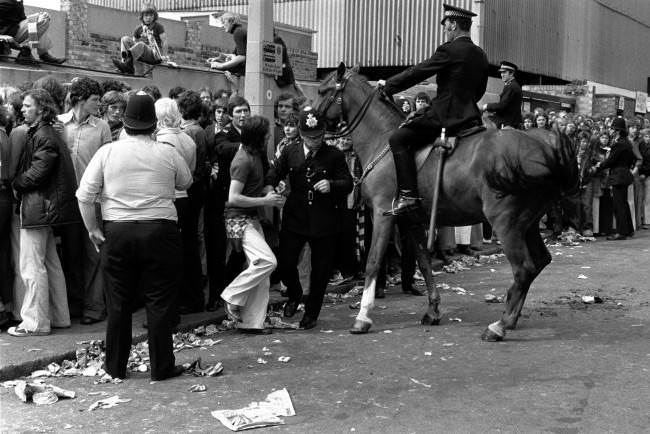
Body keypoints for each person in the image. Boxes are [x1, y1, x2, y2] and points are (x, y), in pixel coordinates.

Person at [76, 92, 192, 381]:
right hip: (160, 230)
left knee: (117, 302)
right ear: (154, 126)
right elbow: (185, 181)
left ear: (125, 126)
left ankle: (115, 366)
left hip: (117, 231)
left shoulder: (107, 152)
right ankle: (161, 367)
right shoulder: (167, 151)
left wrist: (93, 229)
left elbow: (84, 195)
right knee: (159, 301)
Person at [378, 4, 488, 216]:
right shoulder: (480, 55)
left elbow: (418, 72)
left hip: (443, 118)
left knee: (398, 139)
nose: (445, 31)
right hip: (471, 119)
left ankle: (408, 196)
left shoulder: (449, 50)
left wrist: (389, 85)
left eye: (446, 26)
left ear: (454, 24)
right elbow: (480, 90)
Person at [265, 107, 353, 330]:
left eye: (319, 137)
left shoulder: (334, 155)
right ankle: (294, 294)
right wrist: (269, 188)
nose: (315, 142)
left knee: (320, 271)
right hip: (295, 217)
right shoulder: (290, 151)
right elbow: (274, 172)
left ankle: (312, 312)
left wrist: (331, 185)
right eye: (310, 138)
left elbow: (348, 183)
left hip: (324, 220)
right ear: (302, 135)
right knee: (285, 263)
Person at [8, 89, 79, 337]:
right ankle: (60, 317)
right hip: (45, 207)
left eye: (28, 106)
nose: (23, 109)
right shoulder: (47, 132)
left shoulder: (43, 134)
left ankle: (35, 322)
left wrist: (16, 183)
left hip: (39, 207)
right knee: (50, 262)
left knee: (31, 265)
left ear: (41, 108)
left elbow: (38, 173)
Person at [221, 116, 283, 334]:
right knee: (267, 261)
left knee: (261, 271)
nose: (268, 137)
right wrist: (265, 201)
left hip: (251, 218)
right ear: (258, 138)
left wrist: (269, 191)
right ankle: (232, 295)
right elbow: (234, 198)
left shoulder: (255, 155)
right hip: (238, 220)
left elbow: (260, 184)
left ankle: (251, 323)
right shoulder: (242, 160)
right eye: (265, 135)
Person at [58, 77, 112, 325]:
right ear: (80, 99)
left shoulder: (102, 127)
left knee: (94, 254)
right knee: (71, 254)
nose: (98, 104)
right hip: (67, 201)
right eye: (94, 100)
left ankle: (93, 308)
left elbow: (108, 165)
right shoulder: (60, 124)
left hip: (93, 200)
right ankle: (75, 304)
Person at [177, 90, 210, 314]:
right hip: (197, 191)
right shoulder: (198, 131)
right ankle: (195, 295)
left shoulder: (189, 132)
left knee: (188, 244)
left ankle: (192, 297)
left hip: (190, 192)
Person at [595, 117, 635, 240]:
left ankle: (621, 232)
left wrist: (598, 166)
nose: (610, 131)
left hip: (618, 175)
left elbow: (610, 161)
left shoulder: (618, 144)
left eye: (612, 128)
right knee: (623, 203)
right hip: (625, 174)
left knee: (619, 204)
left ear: (617, 131)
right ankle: (628, 230)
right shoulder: (627, 142)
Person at [0, 0, 65, 64]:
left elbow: (22, 19)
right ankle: (25, 52)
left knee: (41, 20)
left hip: (14, 31)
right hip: (7, 37)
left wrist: (36, 16)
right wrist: (2, 36)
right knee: (42, 20)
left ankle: (42, 54)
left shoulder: (18, 2)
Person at [112, 3, 169, 75]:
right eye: (146, 15)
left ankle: (128, 66)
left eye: (151, 15)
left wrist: (164, 57)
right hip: (142, 55)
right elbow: (133, 43)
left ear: (154, 16)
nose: (149, 18)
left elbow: (164, 41)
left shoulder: (158, 26)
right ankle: (125, 65)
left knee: (141, 44)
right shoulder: (138, 29)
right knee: (125, 39)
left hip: (155, 55)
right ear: (142, 16)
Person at [483, 61, 523, 129]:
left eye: (504, 72)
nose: (502, 75)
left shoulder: (511, 87)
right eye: (501, 72)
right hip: (509, 120)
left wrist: (486, 106)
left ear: (512, 73)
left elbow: (501, 106)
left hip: (507, 122)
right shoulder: (510, 85)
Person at [209, 12, 246, 79]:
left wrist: (221, 66)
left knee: (216, 66)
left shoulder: (238, 32)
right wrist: (219, 59)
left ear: (231, 21)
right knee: (216, 62)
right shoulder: (240, 30)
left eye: (223, 22)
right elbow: (236, 54)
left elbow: (242, 57)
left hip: (248, 69)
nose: (222, 25)